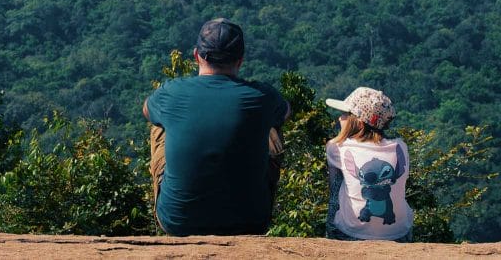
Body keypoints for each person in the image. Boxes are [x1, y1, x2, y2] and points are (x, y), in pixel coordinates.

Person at [143, 18, 290, 235]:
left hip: (179, 222)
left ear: (196, 56)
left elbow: (146, 110)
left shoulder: (172, 92)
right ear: (240, 60)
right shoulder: (262, 97)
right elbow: (286, 112)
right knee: (272, 127)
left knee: (159, 124)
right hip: (250, 222)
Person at [324, 87, 413, 242]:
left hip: (351, 233)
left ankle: (336, 240)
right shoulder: (400, 146)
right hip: (399, 234)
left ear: (359, 122)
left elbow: (333, 189)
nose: (340, 118)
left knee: (338, 185)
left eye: (345, 114)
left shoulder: (337, 147)